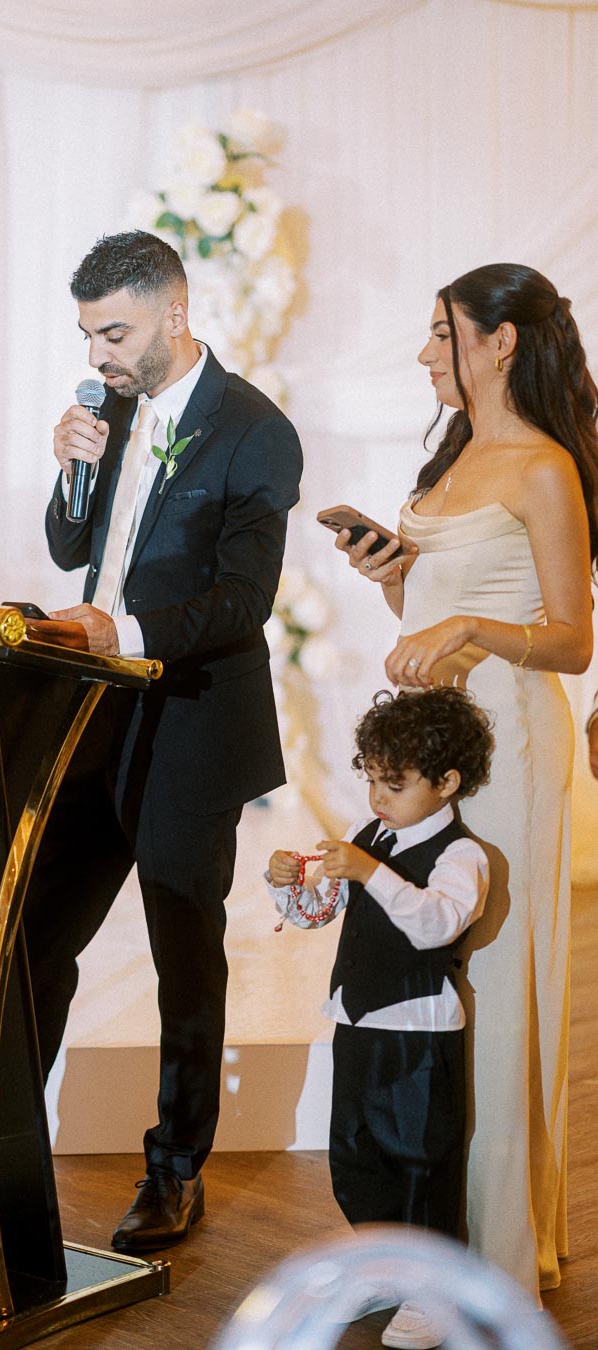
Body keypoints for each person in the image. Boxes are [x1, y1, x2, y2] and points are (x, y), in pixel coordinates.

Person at [0, 229, 303, 1249]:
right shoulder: (107, 408)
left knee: (182, 952)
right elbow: (72, 549)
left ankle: (175, 1172)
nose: (99, 354)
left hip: (192, 719)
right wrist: (69, 473)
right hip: (91, 718)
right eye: (88, 335)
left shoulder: (255, 430)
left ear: (175, 314)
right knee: (31, 940)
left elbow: (245, 599)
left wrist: (129, 632)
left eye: (115, 333)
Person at [334, 263, 598, 1300]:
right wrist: (397, 579)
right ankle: (427, 1223)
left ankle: (493, 1249)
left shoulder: (545, 467)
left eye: (442, 334)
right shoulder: (451, 457)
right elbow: (430, 614)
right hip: (438, 742)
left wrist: (468, 626)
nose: (424, 353)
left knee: (492, 974)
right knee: (428, 969)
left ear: (501, 342)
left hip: (512, 745)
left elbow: (572, 640)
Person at [268, 686, 493, 1350]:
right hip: (356, 1024)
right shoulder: (368, 836)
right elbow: (319, 912)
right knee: (355, 1153)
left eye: (394, 785)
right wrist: (289, 884)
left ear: (447, 782)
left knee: (420, 1159)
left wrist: (372, 871)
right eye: (371, 780)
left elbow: (435, 925)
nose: (377, 799)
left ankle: (433, 1289)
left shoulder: (462, 856)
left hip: (419, 1033)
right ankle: (383, 1264)